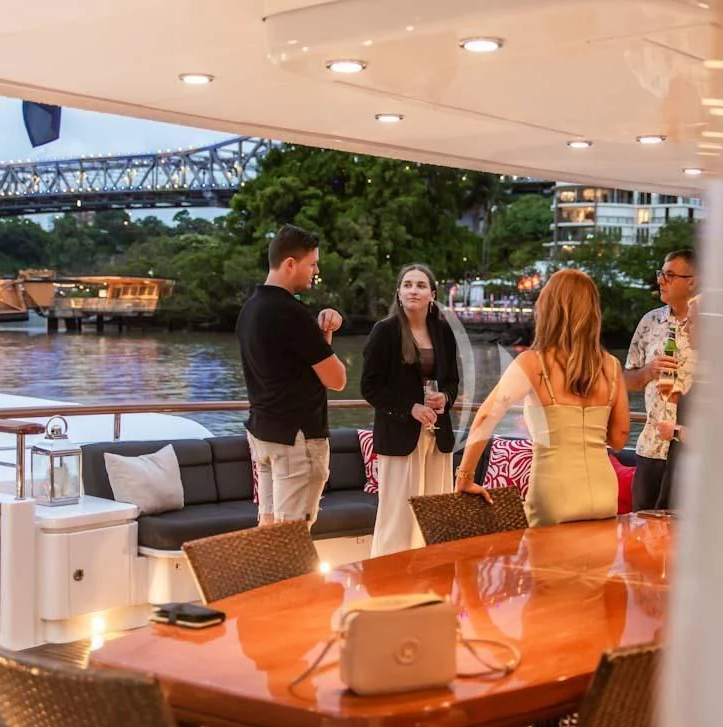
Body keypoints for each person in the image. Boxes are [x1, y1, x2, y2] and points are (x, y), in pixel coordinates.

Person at [457, 268, 630, 527]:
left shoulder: (532, 363)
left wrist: (465, 476)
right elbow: (618, 438)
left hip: (554, 493)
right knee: (596, 567)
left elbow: (485, 416)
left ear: (550, 308)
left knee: (546, 567)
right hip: (604, 492)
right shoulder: (612, 366)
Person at [235, 224, 346, 527]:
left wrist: (321, 334)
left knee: (270, 531)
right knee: (292, 538)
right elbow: (336, 379)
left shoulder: (250, 309)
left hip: (265, 434)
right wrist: (320, 335)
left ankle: (265, 577)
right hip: (297, 439)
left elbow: (290, 367)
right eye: (312, 264)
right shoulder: (291, 314)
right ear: (290, 264)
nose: (315, 271)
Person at [362, 263, 460, 557]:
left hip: (437, 436)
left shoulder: (443, 331)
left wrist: (445, 397)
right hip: (400, 437)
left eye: (420, 285)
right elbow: (370, 388)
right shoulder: (385, 331)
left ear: (432, 294)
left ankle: (433, 579)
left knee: (436, 516)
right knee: (398, 517)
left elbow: (453, 380)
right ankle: (388, 581)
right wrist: (411, 408)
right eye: (407, 284)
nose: (413, 290)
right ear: (399, 292)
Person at [624, 248, 697, 511]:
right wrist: (648, 372)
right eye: (660, 274)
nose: (660, 281)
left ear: (693, 281)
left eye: (669, 275)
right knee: (640, 533)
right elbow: (625, 381)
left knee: (678, 537)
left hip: (692, 453)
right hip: (651, 449)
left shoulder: (708, 327)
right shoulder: (650, 322)